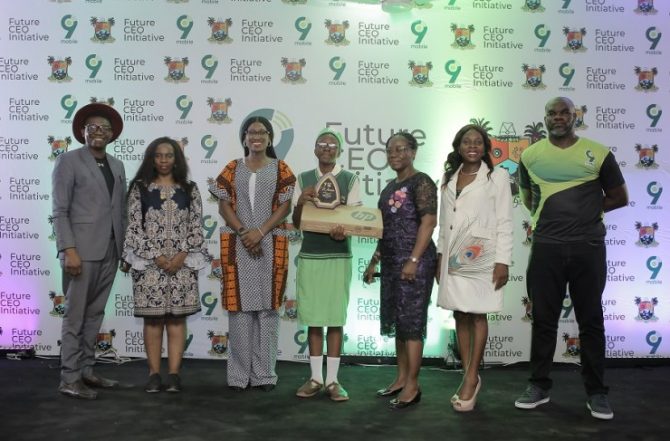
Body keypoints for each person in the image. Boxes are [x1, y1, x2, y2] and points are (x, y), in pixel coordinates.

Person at [514, 97, 628, 420]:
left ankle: (596, 393)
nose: (558, 117)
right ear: (545, 118)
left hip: (587, 247)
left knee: (591, 321)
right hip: (546, 248)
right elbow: (528, 198)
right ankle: (539, 386)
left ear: (575, 116)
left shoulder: (598, 153)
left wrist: (587, 213)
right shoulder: (530, 156)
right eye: (552, 113)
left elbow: (619, 197)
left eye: (565, 112)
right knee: (543, 321)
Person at [209, 116, 296, 392]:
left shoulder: (281, 168)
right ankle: (238, 376)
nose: (256, 136)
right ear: (244, 138)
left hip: (271, 242)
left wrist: (260, 232)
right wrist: (245, 232)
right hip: (238, 244)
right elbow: (223, 205)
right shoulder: (232, 168)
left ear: (270, 138)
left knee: (268, 310)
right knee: (239, 311)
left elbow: (285, 207)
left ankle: (264, 375)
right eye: (251, 132)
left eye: (262, 132)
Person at [435, 124, 513, 412]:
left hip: (482, 256)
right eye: (466, 141)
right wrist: (440, 256)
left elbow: (505, 220)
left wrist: (503, 260)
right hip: (454, 256)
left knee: (478, 314)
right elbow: (444, 222)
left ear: (485, 147)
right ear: (458, 146)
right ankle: (469, 374)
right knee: (460, 313)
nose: (472, 146)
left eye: (477, 142)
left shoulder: (497, 176)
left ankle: (470, 378)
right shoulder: (448, 177)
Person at [51, 102, 126, 399]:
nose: (99, 132)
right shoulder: (68, 161)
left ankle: (86, 370)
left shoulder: (117, 165)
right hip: (80, 252)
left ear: (112, 134)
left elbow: (120, 212)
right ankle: (69, 378)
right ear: (82, 131)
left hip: (111, 251)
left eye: (104, 128)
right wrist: (68, 249)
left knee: (94, 314)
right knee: (75, 317)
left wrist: (124, 250)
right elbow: (60, 210)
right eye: (92, 127)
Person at [123, 137, 208, 393]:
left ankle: (173, 375)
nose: (163, 160)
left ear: (176, 159)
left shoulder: (190, 189)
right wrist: (157, 257)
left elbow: (196, 226)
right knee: (152, 321)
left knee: (176, 320)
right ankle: (153, 374)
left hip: (182, 264)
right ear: (151, 159)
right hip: (149, 265)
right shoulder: (139, 188)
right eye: (158, 155)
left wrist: (182, 255)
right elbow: (134, 228)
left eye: (168, 155)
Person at [364, 132, 437, 409]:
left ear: (413, 152)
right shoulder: (388, 189)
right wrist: (374, 261)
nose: (394, 154)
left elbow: (429, 222)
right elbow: (385, 231)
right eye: (390, 150)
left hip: (415, 263)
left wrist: (414, 260)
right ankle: (401, 378)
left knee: (412, 323)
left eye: (401, 149)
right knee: (399, 321)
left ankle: (413, 386)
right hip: (392, 263)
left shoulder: (422, 181)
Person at [292, 128, 362, 402]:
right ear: (315, 149)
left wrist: (344, 230)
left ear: (339, 151)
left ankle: (333, 380)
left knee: (334, 319)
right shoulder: (303, 179)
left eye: (332, 145)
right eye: (322, 143)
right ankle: (315, 378)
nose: (327, 147)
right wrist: (300, 202)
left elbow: (354, 219)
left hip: (338, 256)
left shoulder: (350, 179)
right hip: (310, 255)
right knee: (313, 319)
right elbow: (296, 222)